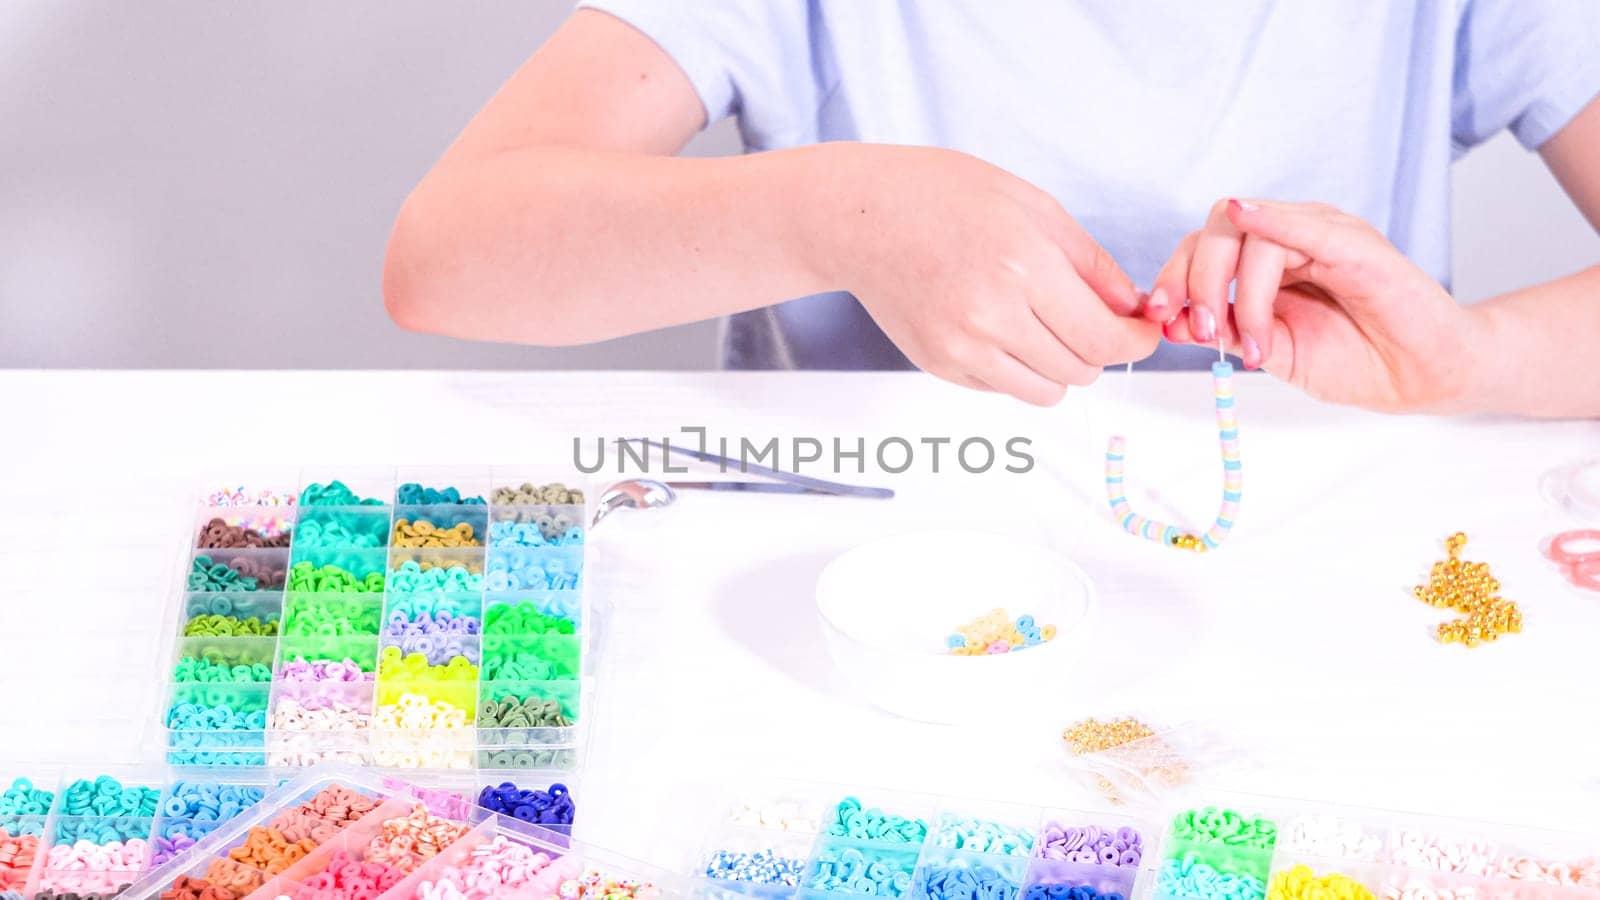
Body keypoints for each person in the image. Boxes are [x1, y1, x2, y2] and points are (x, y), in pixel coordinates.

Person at [382, 2, 1600, 417]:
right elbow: (447, 258)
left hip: (1322, 564)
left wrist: (1464, 357)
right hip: (858, 562)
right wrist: (838, 213)